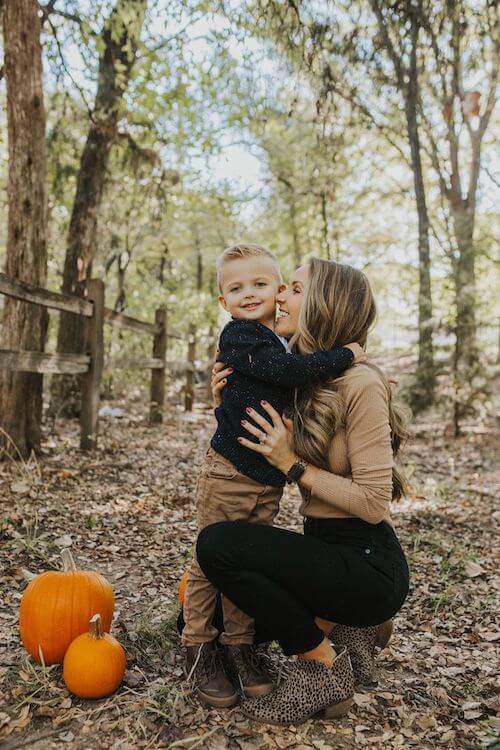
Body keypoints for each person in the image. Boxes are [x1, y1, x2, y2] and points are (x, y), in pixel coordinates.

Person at [197, 258, 410, 725]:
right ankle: (352, 627)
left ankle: (323, 666)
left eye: (293, 289)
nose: (279, 298)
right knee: (216, 619)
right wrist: (224, 403)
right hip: (323, 550)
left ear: (322, 305)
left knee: (217, 547)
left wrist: (291, 465)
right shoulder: (303, 375)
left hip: (367, 563)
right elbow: (254, 425)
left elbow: (374, 503)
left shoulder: (361, 383)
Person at [182, 245, 360, 708]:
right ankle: (199, 645)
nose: (248, 294)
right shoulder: (241, 337)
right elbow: (291, 373)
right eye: (236, 288)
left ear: (279, 290)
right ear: (223, 301)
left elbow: (299, 377)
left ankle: (240, 645)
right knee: (208, 559)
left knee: (247, 564)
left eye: (260, 284)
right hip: (229, 472)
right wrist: (348, 355)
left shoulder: (278, 339)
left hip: (266, 479)